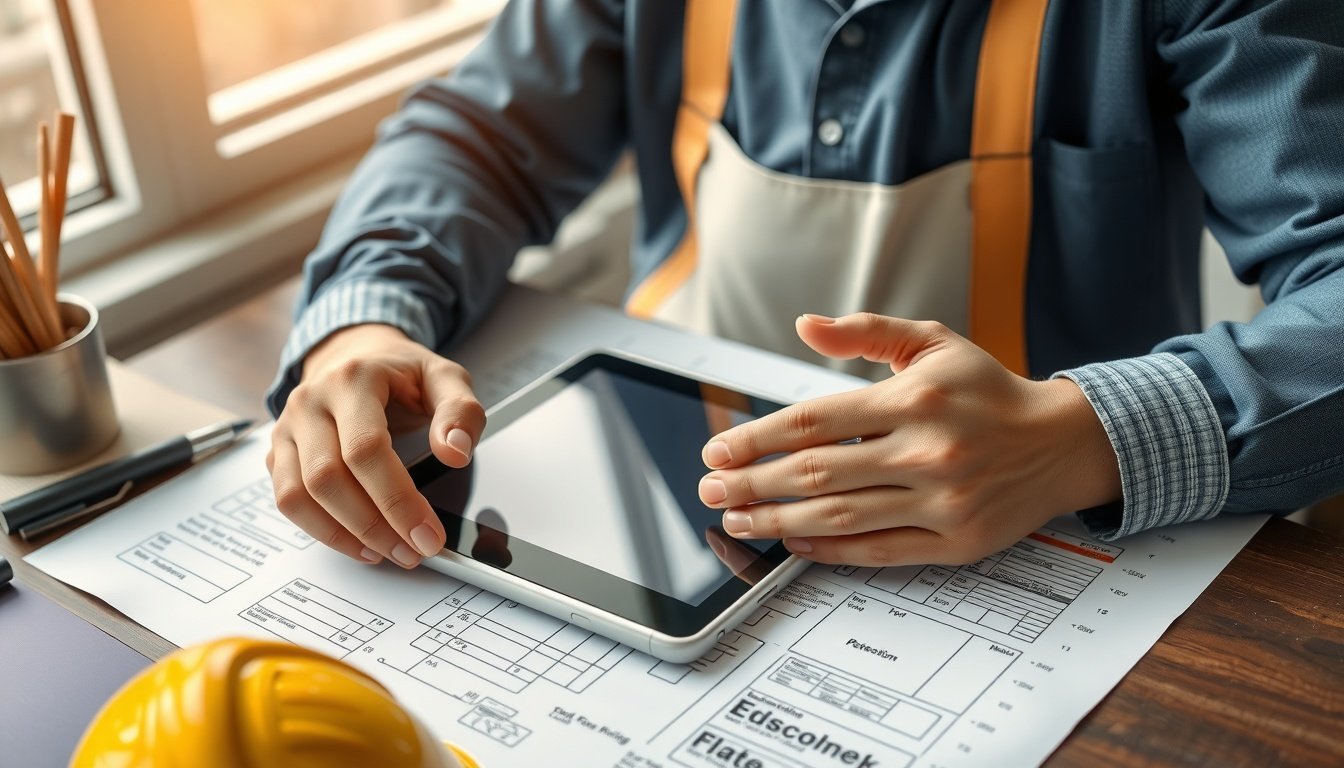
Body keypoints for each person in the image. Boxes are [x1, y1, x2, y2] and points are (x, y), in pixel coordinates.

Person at [265, 0, 1344, 572]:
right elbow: (480, 137)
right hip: (669, 503)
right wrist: (364, 321)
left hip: (1049, 544)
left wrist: (1082, 437)